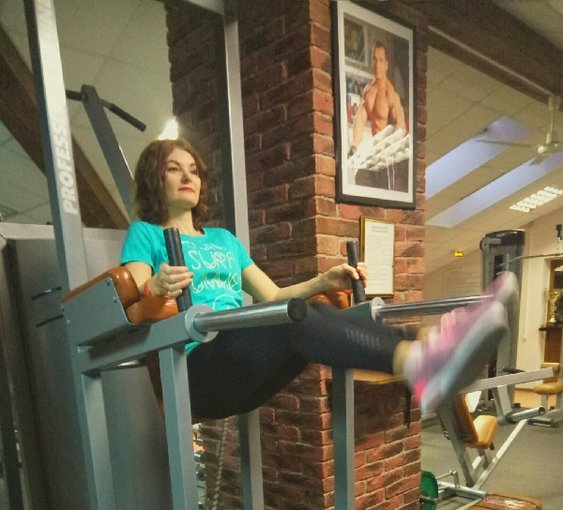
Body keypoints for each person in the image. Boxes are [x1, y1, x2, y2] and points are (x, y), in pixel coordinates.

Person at [120, 137, 515, 420]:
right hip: (196, 370)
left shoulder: (224, 240)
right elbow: (130, 300)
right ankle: (421, 363)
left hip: (239, 360)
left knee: (309, 312)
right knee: (292, 319)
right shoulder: (146, 234)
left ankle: (429, 346)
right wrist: (155, 287)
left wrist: (325, 280)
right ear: (156, 179)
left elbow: (273, 294)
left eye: (193, 170)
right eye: (174, 169)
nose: (187, 176)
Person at [348, 41, 408, 190]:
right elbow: (361, 118)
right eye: (374, 59)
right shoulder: (369, 91)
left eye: (381, 60)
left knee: (385, 193)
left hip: (388, 157)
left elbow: (400, 124)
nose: (377, 64)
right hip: (375, 152)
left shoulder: (391, 94)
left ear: (386, 65)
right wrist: (354, 145)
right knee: (360, 177)